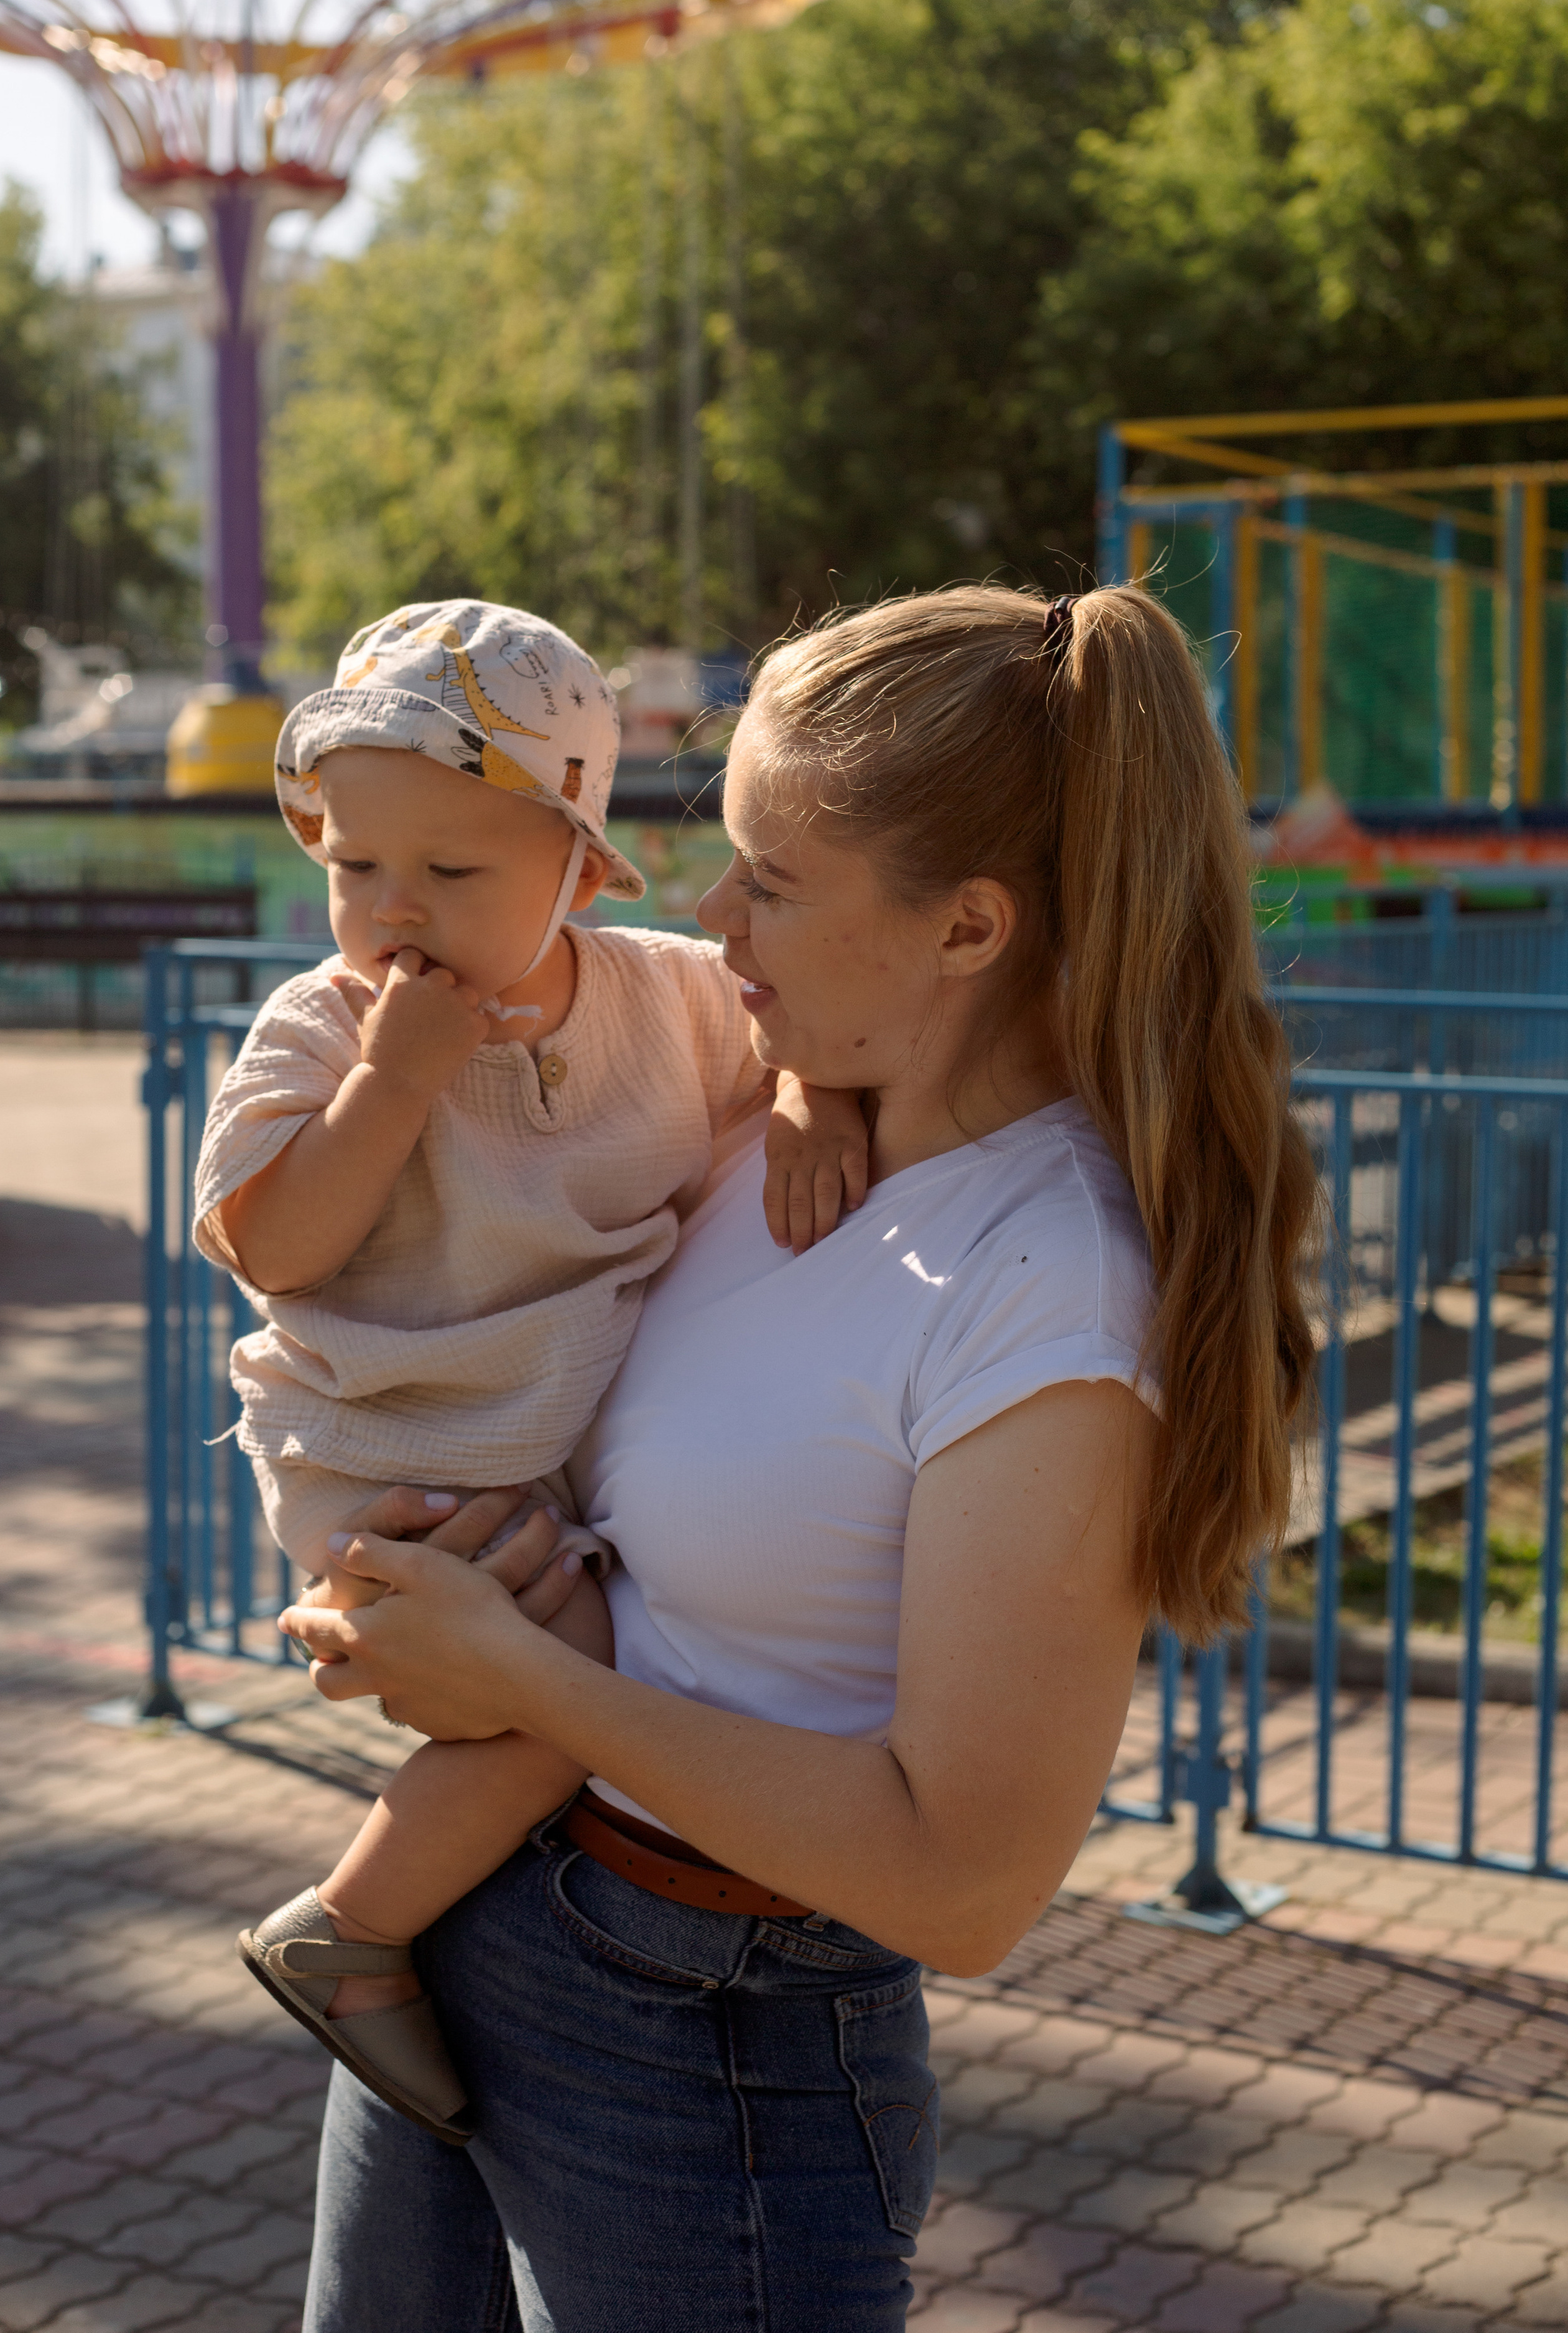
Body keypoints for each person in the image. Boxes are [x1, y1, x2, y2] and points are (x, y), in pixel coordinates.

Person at [282, 582, 1319, 2333]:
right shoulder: (774, 1121)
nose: (708, 910)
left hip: (707, 2051)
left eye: (770, 873)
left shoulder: (1050, 1295)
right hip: (482, 1943)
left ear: (969, 929)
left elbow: (963, 1881)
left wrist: (518, 1670)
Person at [192, 598, 866, 2143]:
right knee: (574, 1694)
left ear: (574, 865)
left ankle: (443, 1922)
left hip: (542, 1436)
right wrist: (391, 1084)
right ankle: (350, 1933)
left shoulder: (660, 995)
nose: (391, 910)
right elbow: (270, 1242)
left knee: (578, 1685)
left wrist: (814, 1100)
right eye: (354, 867)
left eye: (450, 870)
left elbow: (780, 1047)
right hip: (382, 1441)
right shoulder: (327, 1022)